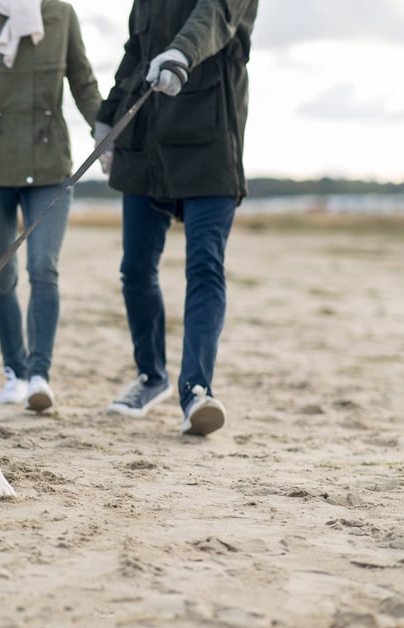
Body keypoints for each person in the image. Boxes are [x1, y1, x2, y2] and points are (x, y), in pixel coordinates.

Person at [94, 0, 258, 435]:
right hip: (145, 146)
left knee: (205, 266)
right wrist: (107, 117)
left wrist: (181, 53)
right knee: (135, 269)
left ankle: (196, 391)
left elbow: (214, 16)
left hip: (210, 144)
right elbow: (135, 50)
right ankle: (151, 377)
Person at [0, 0, 101, 412]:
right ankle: (15, 372)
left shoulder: (61, 15)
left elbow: (82, 81)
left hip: (49, 169)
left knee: (44, 267)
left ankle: (39, 375)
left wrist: (105, 128)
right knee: (2, 275)